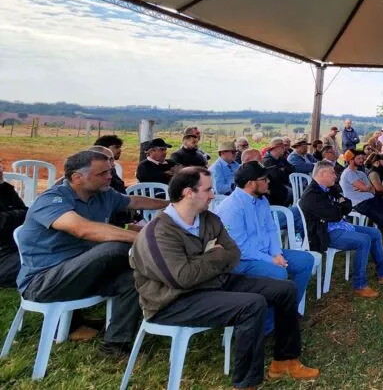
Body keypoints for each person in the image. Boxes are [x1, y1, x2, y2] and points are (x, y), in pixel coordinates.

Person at [130, 167, 319, 385]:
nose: (213, 195)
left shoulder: (208, 219)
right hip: (174, 300)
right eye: (207, 190)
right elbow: (181, 278)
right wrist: (215, 255)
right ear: (187, 193)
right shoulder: (158, 231)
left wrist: (212, 257)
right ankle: (246, 383)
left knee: (285, 289)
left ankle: (285, 361)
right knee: (253, 304)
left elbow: (233, 253)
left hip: (213, 283)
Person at [16, 150, 168, 356]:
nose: (110, 177)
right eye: (103, 173)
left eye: (110, 171)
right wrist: (145, 240)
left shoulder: (103, 195)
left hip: (81, 274)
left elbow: (135, 201)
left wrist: (172, 205)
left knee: (133, 278)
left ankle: (115, 345)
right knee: (114, 248)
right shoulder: (52, 200)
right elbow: (82, 229)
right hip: (44, 281)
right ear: (77, 177)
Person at [215, 162, 314, 316]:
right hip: (243, 261)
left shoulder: (261, 200)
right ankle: (268, 324)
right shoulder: (232, 207)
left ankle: (288, 312)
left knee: (305, 260)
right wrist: (271, 260)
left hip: (266, 252)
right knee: (279, 274)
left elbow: (271, 228)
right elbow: (240, 248)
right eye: (264, 179)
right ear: (250, 183)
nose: (268, 181)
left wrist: (276, 253)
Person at [300, 161, 383, 298]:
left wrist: (338, 206)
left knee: (375, 233)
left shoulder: (330, 188)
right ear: (322, 174)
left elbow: (347, 204)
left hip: (341, 226)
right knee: (364, 240)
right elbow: (335, 214)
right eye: (332, 173)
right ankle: (360, 285)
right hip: (325, 233)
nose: (335, 176)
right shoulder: (311, 195)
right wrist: (339, 206)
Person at [0, 160, 27, 287]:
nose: (1, 169)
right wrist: (17, 215)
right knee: (38, 266)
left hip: (16, 246)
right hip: (3, 256)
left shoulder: (5, 189)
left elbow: (27, 213)